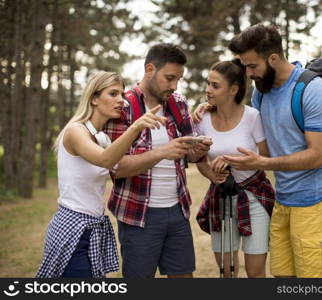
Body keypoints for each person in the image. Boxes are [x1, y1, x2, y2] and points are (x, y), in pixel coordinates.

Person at [224, 23, 322, 278]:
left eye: (253, 66)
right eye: (244, 66)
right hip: (282, 200)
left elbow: (317, 156)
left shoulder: (312, 89)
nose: (248, 72)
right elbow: (248, 128)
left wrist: (263, 163)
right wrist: (208, 110)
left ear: (273, 58)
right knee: (282, 277)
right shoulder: (261, 94)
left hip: (314, 201)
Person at [36, 71, 166, 278]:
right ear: (94, 98)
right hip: (73, 228)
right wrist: (136, 126)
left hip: (93, 227)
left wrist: (166, 149)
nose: (121, 101)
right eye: (113, 94)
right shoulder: (75, 131)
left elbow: (124, 164)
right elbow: (106, 160)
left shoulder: (102, 138)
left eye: (122, 94)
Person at [103, 43, 211, 278]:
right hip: (138, 214)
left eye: (178, 79)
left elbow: (188, 154)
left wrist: (197, 148)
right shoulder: (123, 106)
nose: (174, 86)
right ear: (149, 69)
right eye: (170, 78)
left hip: (177, 209)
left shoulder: (178, 103)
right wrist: (162, 152)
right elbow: (116, 168)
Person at [193, 60, 275, 278]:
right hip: (220, 199)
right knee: (227, 272)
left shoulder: (252, 117)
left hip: (254, 199)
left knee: (255, 272)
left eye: (215, 85)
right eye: (208, 84)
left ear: (233, 89)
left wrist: (240, 162)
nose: (208, 90)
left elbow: (266, 157)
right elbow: (200, 160)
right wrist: (213, 174)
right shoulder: (202, 120)